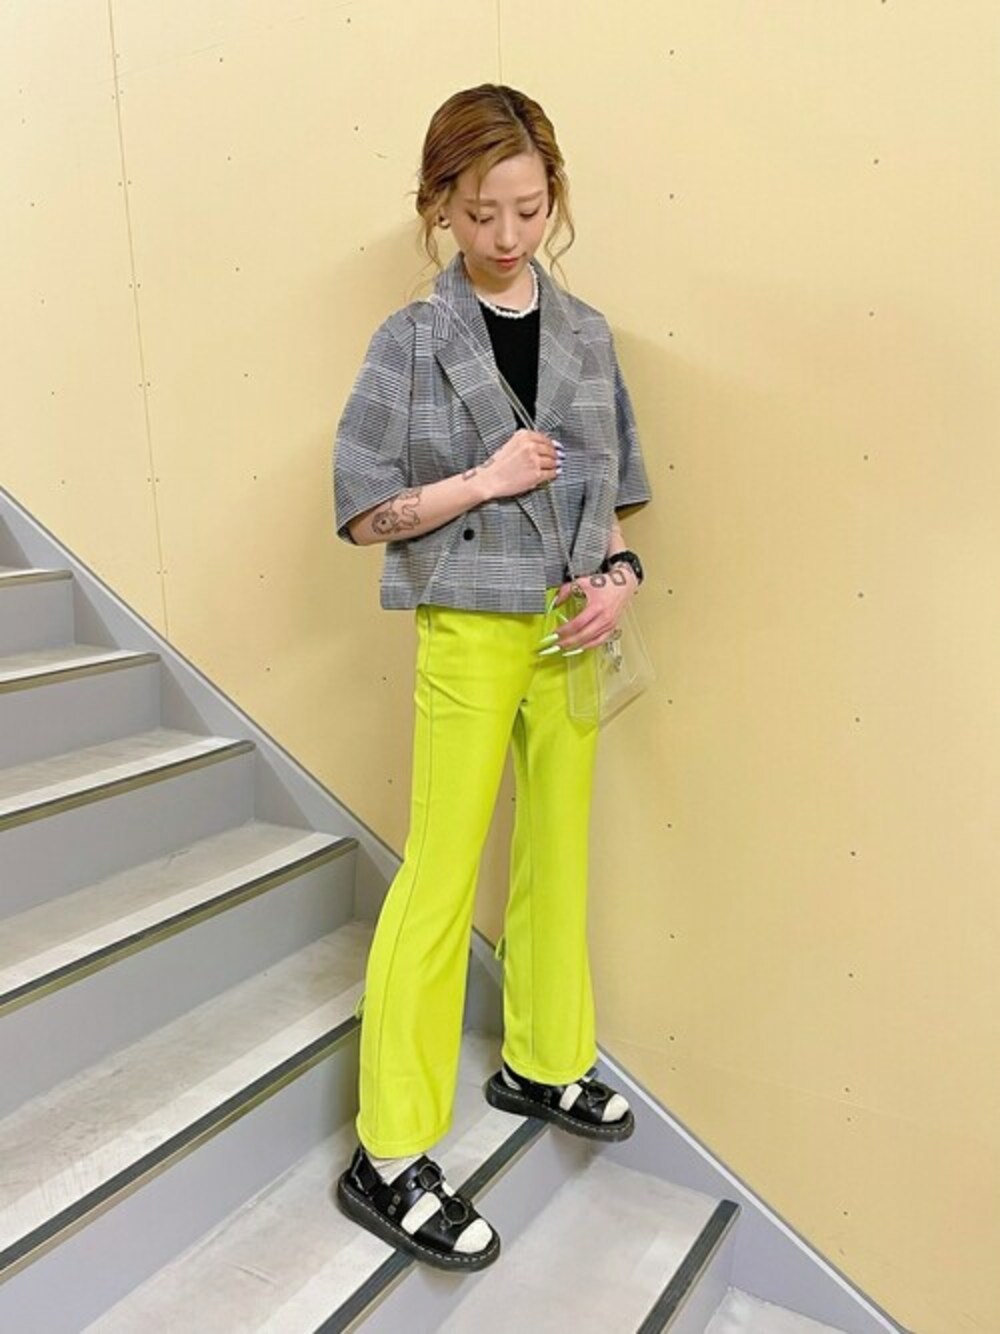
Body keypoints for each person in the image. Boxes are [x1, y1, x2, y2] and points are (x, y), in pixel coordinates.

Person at [332, 83, 652, 1273]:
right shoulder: (411, 339)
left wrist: (620, 575)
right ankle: (390, 1146)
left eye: (526, 208)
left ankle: (543, 1057)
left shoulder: (588, 333)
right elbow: (362, 508)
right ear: (439, 206)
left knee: (558, 849)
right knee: (440, 871)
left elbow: (615, 491)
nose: (506, 234)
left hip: (571, 625)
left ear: (553, 196)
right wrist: (482, 479)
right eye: (478, 213)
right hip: (468, 621)